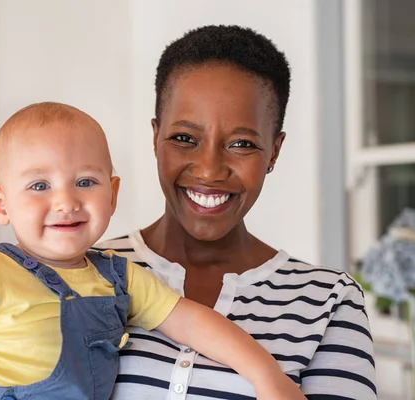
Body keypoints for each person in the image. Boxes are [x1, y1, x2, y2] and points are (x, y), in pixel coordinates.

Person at [0, 102, 305, 400]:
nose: (66, 202)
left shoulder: (118, 276)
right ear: (0, 204)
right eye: (40, 186)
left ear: (112, 195)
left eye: (85, 182)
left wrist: (267, 376)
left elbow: (194, 323)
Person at [94, 25, 377, 400]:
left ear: (274, 152)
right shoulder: (86, 272)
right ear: (155, 137)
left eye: (242, 144)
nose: (209, 170)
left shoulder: (328, 302)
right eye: (184, 139)